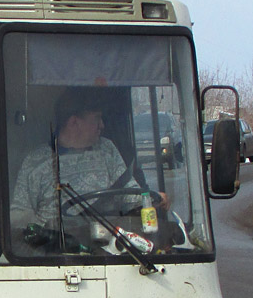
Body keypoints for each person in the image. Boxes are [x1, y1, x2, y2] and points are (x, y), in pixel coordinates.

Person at [11, 89, 165, 238]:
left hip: (110, 243)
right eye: (97, 118)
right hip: (56, 249)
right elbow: (20, 217)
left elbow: (129, 195)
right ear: (74, 122)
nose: (102, 125)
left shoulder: (107, 149)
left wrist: (153, 199)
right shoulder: (35, 161)